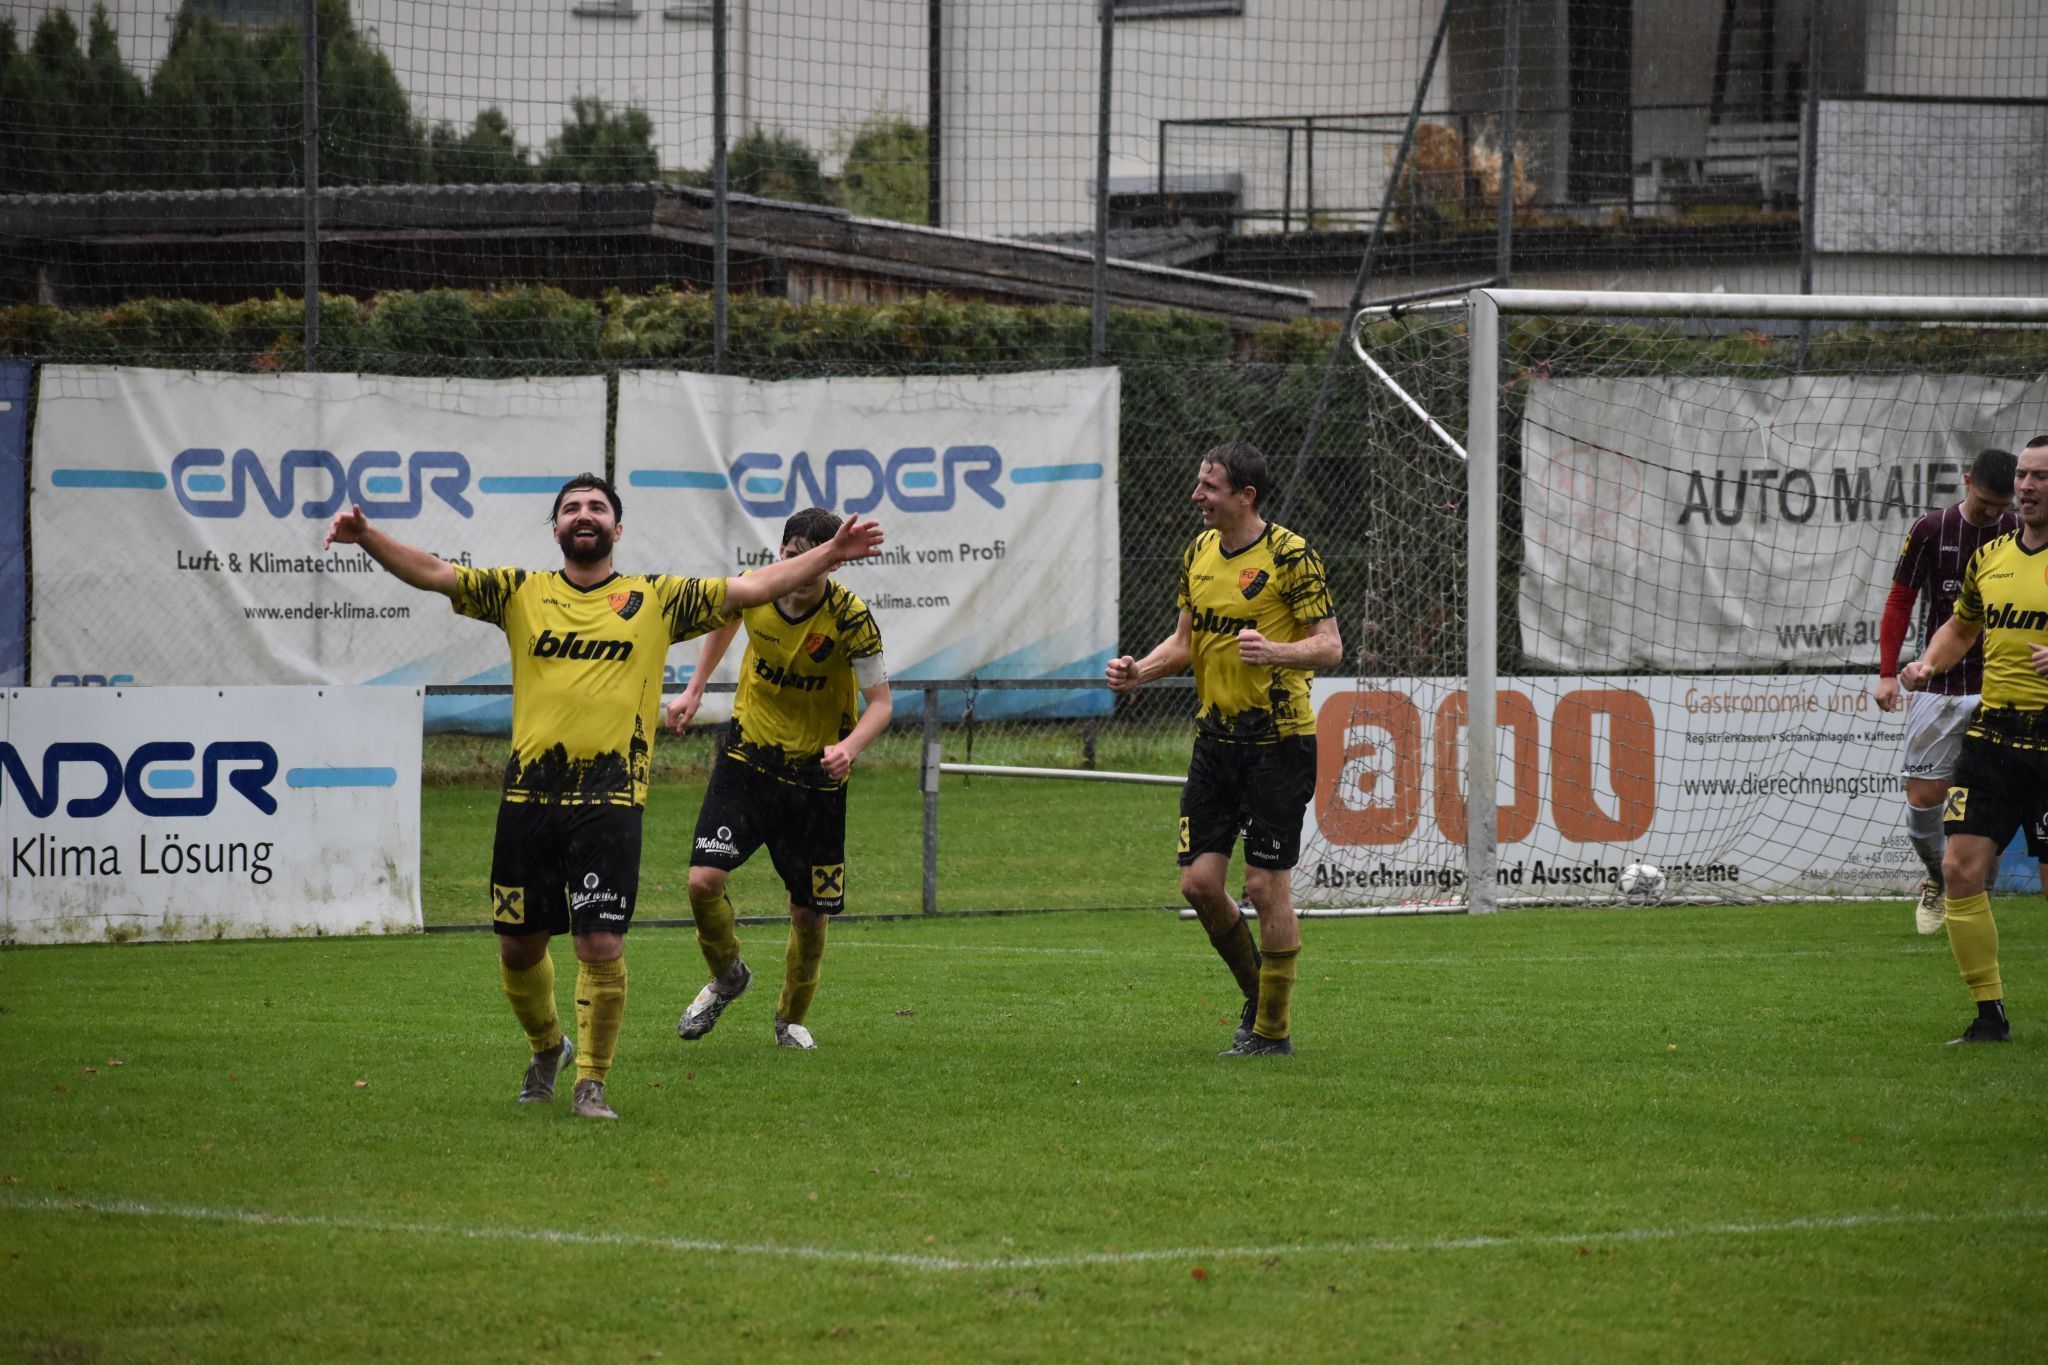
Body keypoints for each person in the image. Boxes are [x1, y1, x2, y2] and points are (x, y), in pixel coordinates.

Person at [324, 475, 883, 1116]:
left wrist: (831, 554)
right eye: (571, 508)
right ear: (556, 528)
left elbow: (755, 587)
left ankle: (592, 1082)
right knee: (518, 947)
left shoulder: (655, 599)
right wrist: (367, 536)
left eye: (597, 507)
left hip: (612, 799)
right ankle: (547, 1047)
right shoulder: (519, 593)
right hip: (528, 799)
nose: (583, 515)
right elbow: (434, 573)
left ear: (617, 530)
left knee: (600, 947)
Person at [1106, 442, 1342, 1057]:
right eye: (1198, 483)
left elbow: (1329, 646)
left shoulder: (1292, 555)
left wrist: (1278, 652)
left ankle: (1272, 1031)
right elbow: (1184, 642)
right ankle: (1258, 993)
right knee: (1199, 884)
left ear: (1246, 496)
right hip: (1215, 742)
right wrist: (1141, 671)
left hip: (1279, 741)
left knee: (1265, 889)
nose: (1197, 495)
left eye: (1209, 486)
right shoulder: (1199, 553)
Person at [662, 507, 892, 1051]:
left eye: (809, 561)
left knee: (809, 913)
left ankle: (790, 1020)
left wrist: (850, 747)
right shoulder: (755, 590)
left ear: (829, 565)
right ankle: (727, 977)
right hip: (747, 761)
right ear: (782, 554)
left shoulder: (851, 618)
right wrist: (695, 688)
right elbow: (725, 620)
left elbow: (881, 705)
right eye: (789, 557)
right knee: (702, 882)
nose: (796, 571)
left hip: (816, 780)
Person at [1900, 436, 2048, 1044]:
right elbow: (1961, 628)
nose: (2028, 486)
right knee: (1960, 870)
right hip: (1992, 737)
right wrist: (1928, 665)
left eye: (2042, 477)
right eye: (2024, 476)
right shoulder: (1990, 558)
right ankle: (1990, 1017)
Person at [1874, 448, 2035, 933]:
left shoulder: (2020, 533)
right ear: (1966, 482)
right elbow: (1901, 600)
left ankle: (1974, 892)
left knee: (1999, 796)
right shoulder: (1930, 529)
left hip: (2003, 687)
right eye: (1985, 502)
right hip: (1938, 681)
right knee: (1924, 797)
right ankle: (1935, 879)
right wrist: (1888, 672)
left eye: (2000, 505)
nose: (1992, 513)